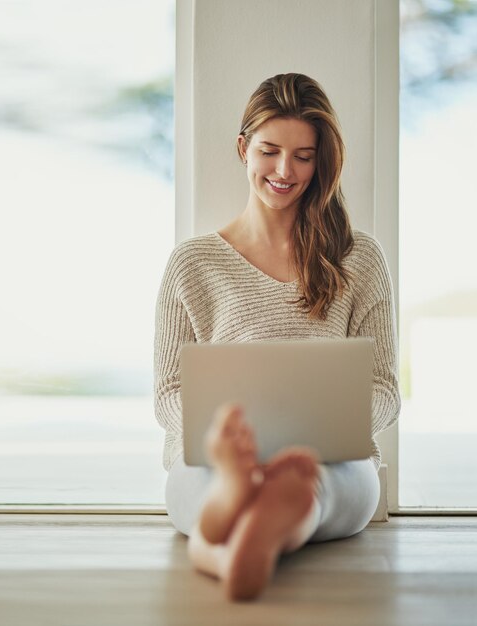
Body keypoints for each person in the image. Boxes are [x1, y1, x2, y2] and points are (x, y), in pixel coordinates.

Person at [154, 73, 400, 601]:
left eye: (304, 156)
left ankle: (230, 540)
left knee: (317, 482)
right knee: (212, 483)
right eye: (270, 151)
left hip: (330, 463)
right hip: (214, 464)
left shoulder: (360, 259)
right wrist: (228, 442)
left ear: (323, 161)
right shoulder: (192, 264)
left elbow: (384, 389)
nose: (285, 172)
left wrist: (310, 438)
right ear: (243, 148)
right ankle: (253, 519)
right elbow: (170, 392)